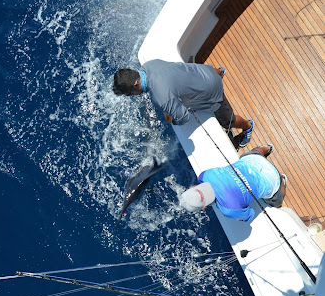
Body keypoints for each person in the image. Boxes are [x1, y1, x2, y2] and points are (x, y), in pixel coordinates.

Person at [113, 59, 254, 148]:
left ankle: (248, 126)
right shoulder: (148, 64)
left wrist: (170, 117)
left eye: (129, 93)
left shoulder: (162, 97)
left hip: (213, 91)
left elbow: (183, 117)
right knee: (212, 71)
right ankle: (220, 71)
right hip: (205, 71)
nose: (132, 96)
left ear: (136, 84)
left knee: (228, 120)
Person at [179, 145, 287, 222]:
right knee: (247, 156)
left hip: (273, 178)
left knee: (276, 202)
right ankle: (267, 148)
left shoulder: (229, 210)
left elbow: (250, 213)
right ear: (193, 187)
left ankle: (282, 181)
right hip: (254, 159)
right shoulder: (204, 175)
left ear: (203, 208)